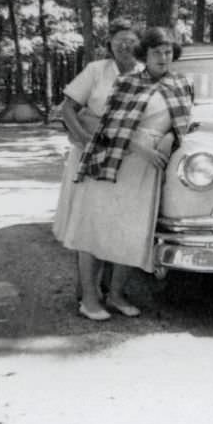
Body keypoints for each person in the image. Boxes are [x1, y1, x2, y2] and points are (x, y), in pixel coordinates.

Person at [61, 27, 194, 321]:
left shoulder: (181, 83)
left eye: (168, 51)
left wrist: (171, 137)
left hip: (149, 168)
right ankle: (90, 299)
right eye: (156, 52)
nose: (163, 57)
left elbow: (184, 122)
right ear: (144, 55)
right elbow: (106, 124)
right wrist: (140, 146)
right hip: (115, 159)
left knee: (133, 231)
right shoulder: (127, 82)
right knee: (97, 228)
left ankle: (117, 294)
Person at [52, 18, 143, 305]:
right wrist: (84, 139)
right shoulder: (96, 71)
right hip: (92, 155)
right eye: (118, 42)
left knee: (118, 222)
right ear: (110, 47)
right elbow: (67, 108)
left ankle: (113, 292)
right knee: (91, 222)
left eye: (130, 41)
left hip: (127, 161)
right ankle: (87, 294)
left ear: (140, 45)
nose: (124, 46)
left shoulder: (147, 74)